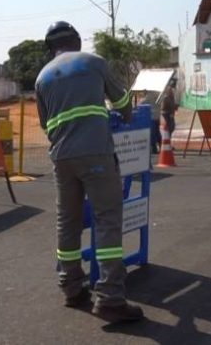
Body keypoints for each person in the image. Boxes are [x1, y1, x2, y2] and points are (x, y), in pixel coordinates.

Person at [35, 20, 144, 323]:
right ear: (77, 41)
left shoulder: (42, 77)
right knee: (107, 218)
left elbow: (45, 124)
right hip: (95, 151)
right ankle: (109, 297)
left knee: (67, 221)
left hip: (61, 158)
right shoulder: (94, 63)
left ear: (51, 48)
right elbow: (123, 103)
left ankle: (71, 288)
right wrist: (121, 113)